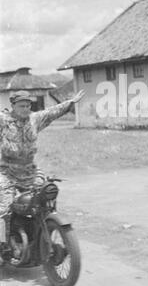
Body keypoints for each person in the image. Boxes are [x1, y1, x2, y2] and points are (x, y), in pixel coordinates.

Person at [0, 89, 85, 260]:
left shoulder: (34, 119)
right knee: (4, 207)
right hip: (6, 171)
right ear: (13, 106)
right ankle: (4, 246)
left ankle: (43, 232)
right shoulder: (3, 121)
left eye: (28, 105)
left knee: (46, 196)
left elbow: (52, 112)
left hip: (30, 170)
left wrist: (70, 102)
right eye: (21, 105)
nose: (25, 108)